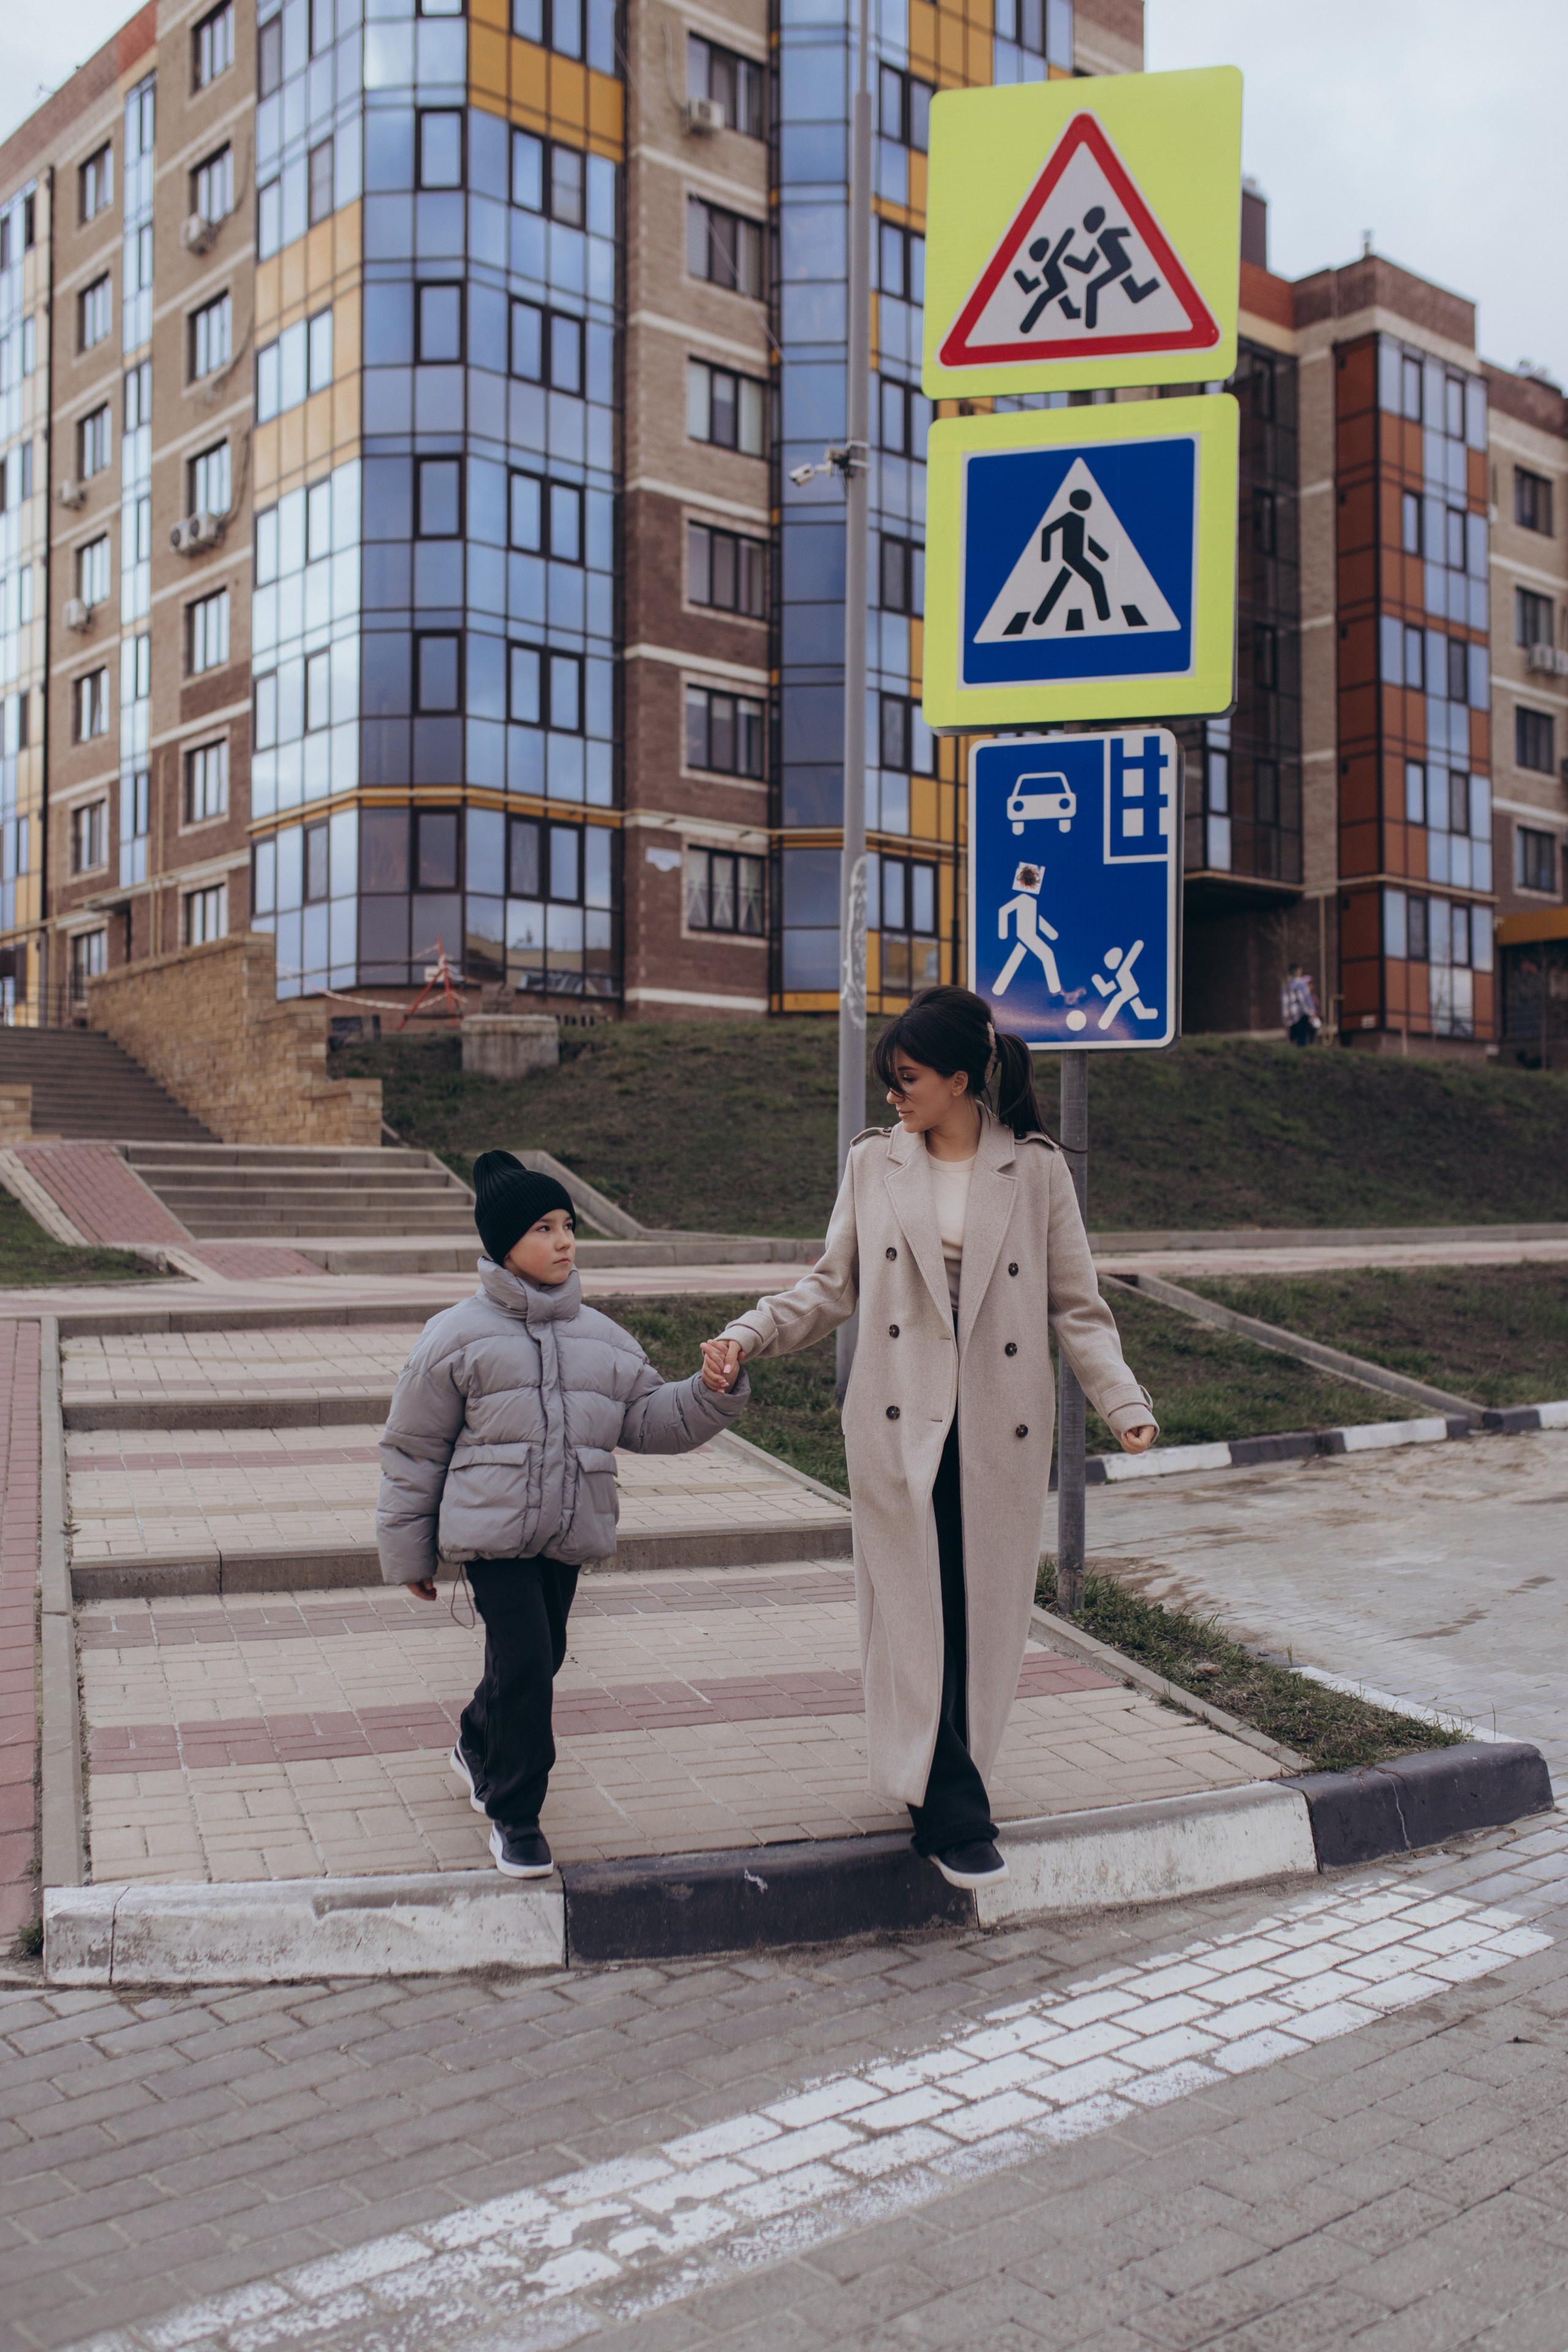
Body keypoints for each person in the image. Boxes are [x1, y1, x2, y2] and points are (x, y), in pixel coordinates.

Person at [701, 987, 1156, 1892]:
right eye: (890, 1083)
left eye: (908, 1081)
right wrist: (747, 1334)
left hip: (998, 1423)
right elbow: (831, 1286)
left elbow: (1077, 1304)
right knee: (911, 1613)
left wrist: (1122, 1402)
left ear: (960, 1078)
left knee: (975, 1613)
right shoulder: (876, 1164)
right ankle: (951, 1806)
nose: (894, 1098)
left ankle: (946, 1783)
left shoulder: (1035, 1169)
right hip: (898, 1417)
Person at [377, 1153, 748, 1879]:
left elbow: (651, 1421)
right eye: (544, 1228)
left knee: (539, 1658)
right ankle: (516, 1814)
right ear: (502, 1245)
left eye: (569, 1226)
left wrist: (711, 1392)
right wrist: (411, 1552)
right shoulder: (455, 1336)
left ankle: (475, 1741)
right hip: (491, 1539)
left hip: (567, 1534)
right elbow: (414, 1450)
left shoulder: (602, 1340)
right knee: (524, 1666)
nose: (565, 1241)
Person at [1282, 963, 1322, 1047]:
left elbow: (1284, 1001)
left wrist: (1286, 1016)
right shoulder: (1300, 983)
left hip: (1290, 1015)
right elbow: (1304, 1000)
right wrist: (1311, 1012)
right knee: (1302, 1039)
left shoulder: (1286, 984)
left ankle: (1293, 1055)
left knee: (1292, 1039)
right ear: (1297, 971)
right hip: (1300, 1014)